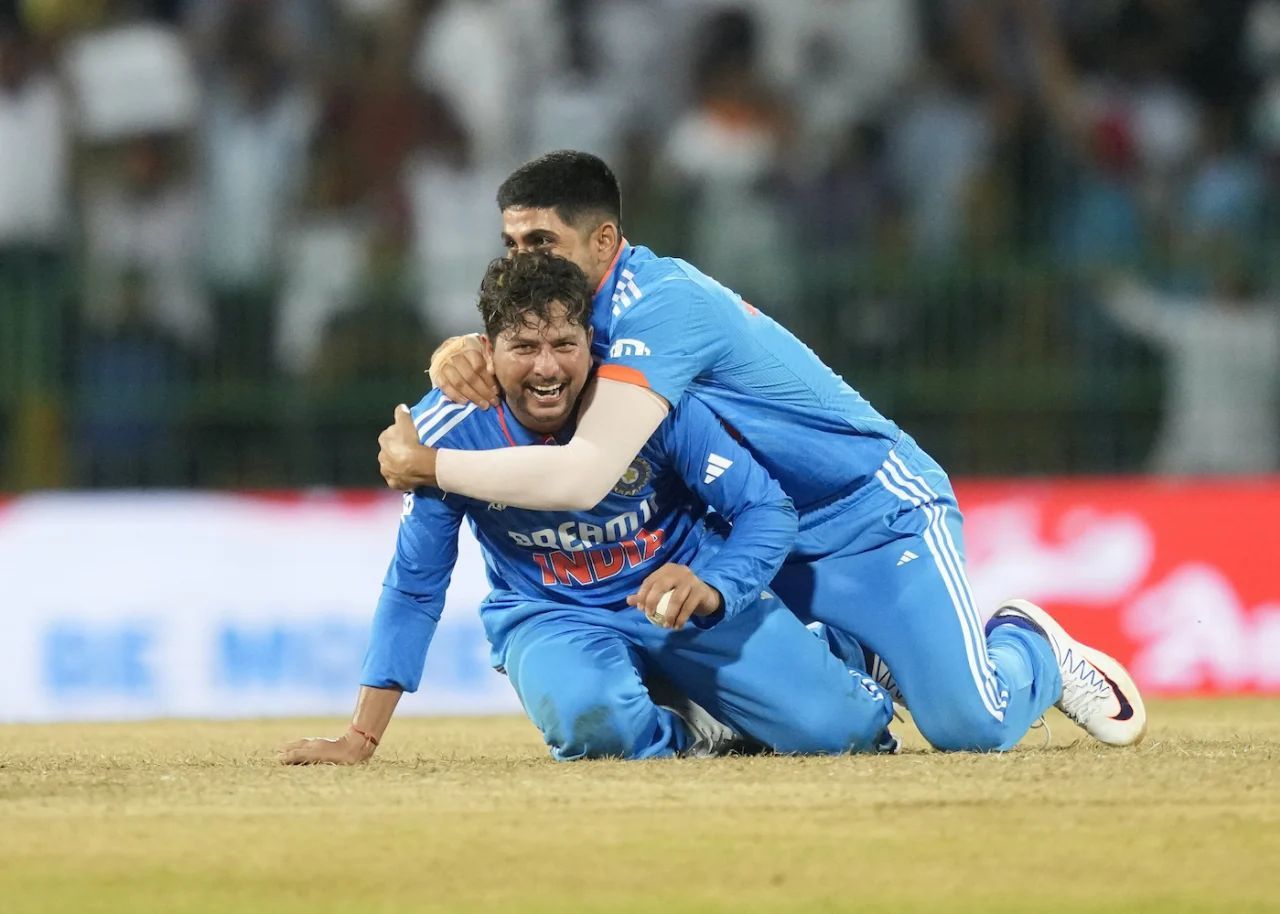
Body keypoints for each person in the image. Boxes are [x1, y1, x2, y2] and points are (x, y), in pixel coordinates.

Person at [376, 150, 1148, 752]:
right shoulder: (574, 318)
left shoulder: (662, 307)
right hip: (750, 529)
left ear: (605, 241)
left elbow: (583, 472)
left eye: (540, 240)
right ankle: (850, 658)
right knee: (802, 709)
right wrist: (462, 351)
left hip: (865, 516)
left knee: (969, 728)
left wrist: (427, 466)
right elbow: (536, 350)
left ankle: (1029, 647)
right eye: (510, 245)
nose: (520, 262)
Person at [281, 252, 896, 764]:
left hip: (679, 598)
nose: (547, 367)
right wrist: (360, 737)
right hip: (551, 615)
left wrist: (713, 585)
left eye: (564, 343)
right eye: (523, 346)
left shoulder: (647, 399)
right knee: (593, 729)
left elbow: (766, 508)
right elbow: (416, 585)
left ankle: (843, 653)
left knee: (840, 733)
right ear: (485, 351)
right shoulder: (443, 429)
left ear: (591, 343)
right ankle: (702, 731)